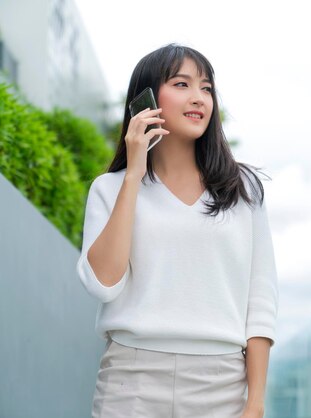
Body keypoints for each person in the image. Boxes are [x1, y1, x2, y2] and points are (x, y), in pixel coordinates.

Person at [75, 43, 279, 418]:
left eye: (206, 88)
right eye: (182, 84)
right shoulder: (109, 189)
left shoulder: (243, 190)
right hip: (130, 380)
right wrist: (134, 174)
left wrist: (255, 403)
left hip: (221, 384)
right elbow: (103, 282)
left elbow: (260, 300)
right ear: (147, 99)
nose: (199, 97)